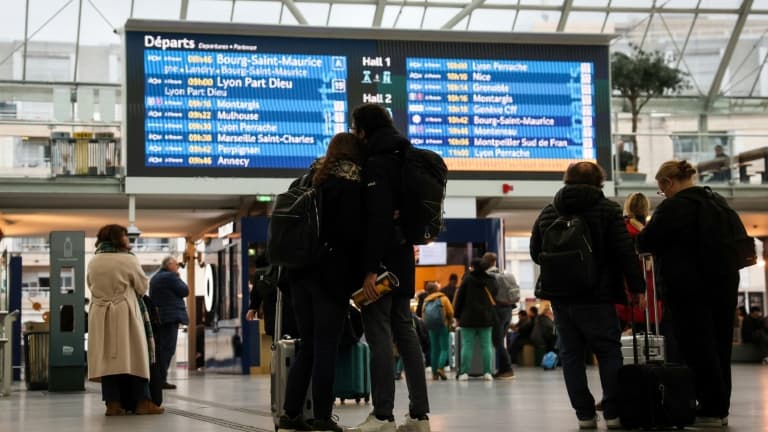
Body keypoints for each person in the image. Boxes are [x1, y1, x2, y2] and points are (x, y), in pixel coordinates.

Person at [530, 161, 644, 430]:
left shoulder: (548, 212)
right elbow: (624, 252)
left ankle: (584, 415)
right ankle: (613, 414)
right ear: (599, 182)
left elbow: (536, 253)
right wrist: (637, 287)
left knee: (570, 355)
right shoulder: (608, 210)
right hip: (598, 296)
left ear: (566, 180)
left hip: (560, 297)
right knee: (608, 352)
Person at [637, 160, 742, 427]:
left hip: (688, 288)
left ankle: (709, 409)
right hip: (725, 285)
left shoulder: (674, 207)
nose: (663, 195)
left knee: (697, 349)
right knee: (719, 348)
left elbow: (645, 242)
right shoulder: (718, 202)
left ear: (668, 183)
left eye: (662, 190)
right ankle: (720, 407)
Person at [277, 132, 366, 432]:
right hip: (331, 278)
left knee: (309, 346)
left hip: (300, 275)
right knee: (326, 347)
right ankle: (322, 418)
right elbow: (351, 238)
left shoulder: (308, 180)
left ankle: (290, 414)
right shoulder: (349, 185)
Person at [350, 103, 431, 432]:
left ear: (364, 131)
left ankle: (383, 414)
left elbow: (379, 219)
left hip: (382, 265)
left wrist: (370, 269)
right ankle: (420, 415)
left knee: (379, 335)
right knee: (406, 334)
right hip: (404, 260)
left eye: (356, 129)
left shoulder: (377, 164)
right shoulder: (408, 157)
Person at [87, 224, 163, 416]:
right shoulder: (127, 259)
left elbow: (90, 284)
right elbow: (142, 286)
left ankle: (112, 404)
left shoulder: (94, 260)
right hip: (125, 312)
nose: (128, 240)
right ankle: (142, 401)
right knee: (136, 357)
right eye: (125, 236)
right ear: (118, 238)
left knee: (108, 360)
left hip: (100, 313)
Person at [453, 258, 498, 381]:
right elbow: (495, 295)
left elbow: (459, 299)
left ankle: (464, 373)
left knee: (467, 346)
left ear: (473, 267)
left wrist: (457, 316)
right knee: (487, 346)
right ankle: (488, 372)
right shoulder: (491, 280)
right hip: (486, 318)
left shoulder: (467, 279)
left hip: (468, 318)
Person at [148, 256, 189, 390]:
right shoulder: (171, 277)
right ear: (169, 264)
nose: (177, 267)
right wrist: (178, 276)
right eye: (176, 264)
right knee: (168, 349)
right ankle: (161, 379)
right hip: (170, 317)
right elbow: (185, 291)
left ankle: (159, 378)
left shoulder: (155, 277)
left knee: (161, 349)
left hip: (160, 317)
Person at [481, 252, 517, 380]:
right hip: (508, 311)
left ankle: (507, 369)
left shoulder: (489, 277)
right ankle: (503, 369)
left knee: (497, 342)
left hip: (497, 311)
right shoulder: (504, 274)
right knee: (500, 341)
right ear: (495, 262)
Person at [422, 281, 454, 381]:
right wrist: (449, 322)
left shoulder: (426, 300)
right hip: (443, 326)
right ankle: (441, 368)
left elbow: (423, 315)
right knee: (444, 349)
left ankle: (434, 374)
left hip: (431, 327)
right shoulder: (443, 298)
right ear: (437, 289)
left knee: (434, 350)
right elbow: (450, 311)